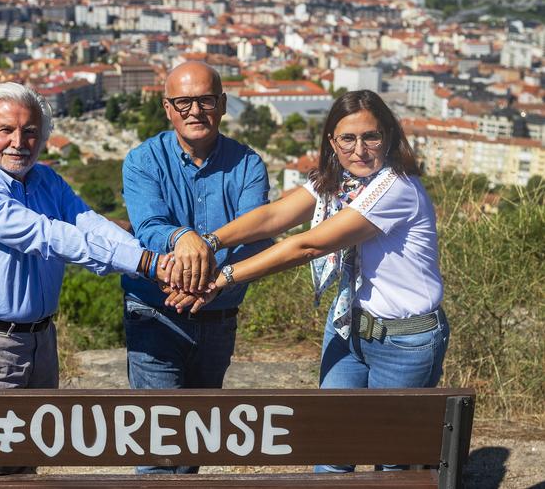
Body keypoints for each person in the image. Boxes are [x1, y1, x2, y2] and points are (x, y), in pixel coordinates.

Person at [178, 89, 449, 473]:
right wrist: (211, 241)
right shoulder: (338, 182)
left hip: (403, 340)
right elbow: (273, 217)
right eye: (347, 139)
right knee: (330, 450)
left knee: (393, 466)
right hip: (347, 326)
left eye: (370, 137)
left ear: (388, 137)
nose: (359, 150)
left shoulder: (396, 189)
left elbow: (307, 245)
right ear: (332, 142)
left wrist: (223, 277)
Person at [0, 82, 168, 475]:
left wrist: (150, 259)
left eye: (30, 132)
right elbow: (45, 235)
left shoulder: (46, 180)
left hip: (39, 338)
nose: (18, 142)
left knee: (29, 458)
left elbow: (87, 222)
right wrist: (146, 263)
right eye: (6, 131)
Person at [120, 61, 271, 474]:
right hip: (155, 314)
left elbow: (253, 233)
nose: (194, 110)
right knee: (156, 443)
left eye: (205, 100)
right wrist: (181, 237)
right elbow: (149, 226)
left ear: (222, 105)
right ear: (167, 108)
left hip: (218, 316)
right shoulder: (142, 161)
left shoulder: (248, 165)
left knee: (193, 443)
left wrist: (210, 282)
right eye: (183, 101)